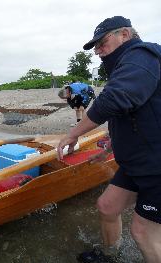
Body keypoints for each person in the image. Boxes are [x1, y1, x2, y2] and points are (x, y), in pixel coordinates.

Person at [57, 16, 161, 262]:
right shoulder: (126, 65)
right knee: (107, 206)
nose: (99, 51)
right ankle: (110, 254)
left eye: (102, 43)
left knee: (144, 231)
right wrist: (112, 142)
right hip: (137, 161)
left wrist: (73, 133)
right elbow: (132, 112)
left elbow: (115, 99)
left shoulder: (142, 55)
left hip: (157, 165)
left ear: (124, 34)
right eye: (96, 48)